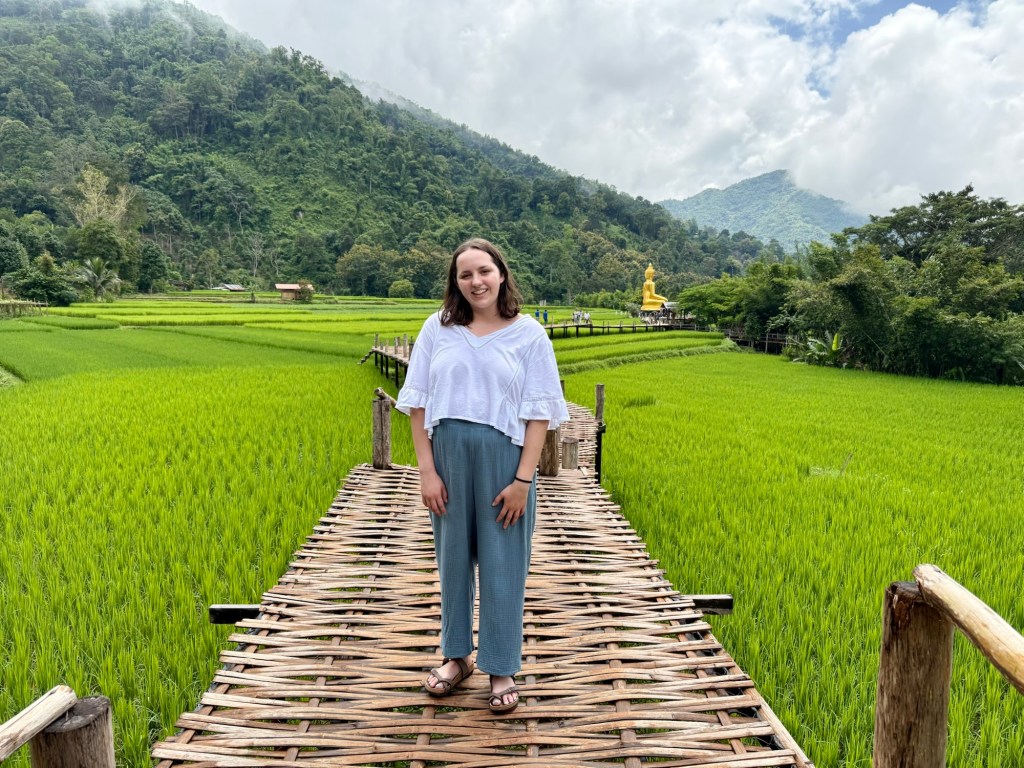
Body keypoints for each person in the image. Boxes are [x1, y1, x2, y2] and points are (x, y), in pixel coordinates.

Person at [396, 238, 569, 714]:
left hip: (504, 461)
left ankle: (501, 665)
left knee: (503, 564)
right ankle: (457, 656)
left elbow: (539, 414)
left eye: (484, 271)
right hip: (448, 457)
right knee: (451, 561)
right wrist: (427, 472)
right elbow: (418, 403)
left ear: (502, 273)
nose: (476, 282)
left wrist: (523, 481)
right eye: (465, 274)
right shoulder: (438, 327)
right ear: (455, 282)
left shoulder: (529, 334)